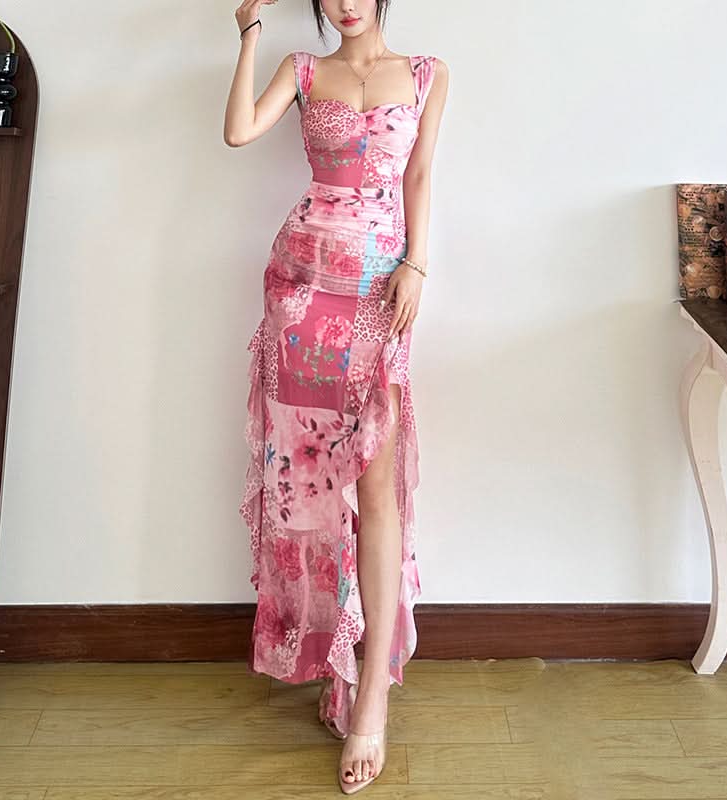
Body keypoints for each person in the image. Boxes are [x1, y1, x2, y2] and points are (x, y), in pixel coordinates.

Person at [225, 0, 447, 793]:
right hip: (301, 286)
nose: (343, 3)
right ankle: (335, 665)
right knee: (310, 488)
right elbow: (240, 131)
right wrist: (248, 33)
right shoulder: (303, 70)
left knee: (376, 487)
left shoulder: (426, 74)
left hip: (379, 289)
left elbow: (418, 174)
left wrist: (417, 265)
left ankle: (371, 701)